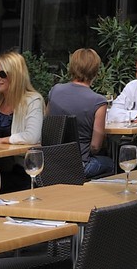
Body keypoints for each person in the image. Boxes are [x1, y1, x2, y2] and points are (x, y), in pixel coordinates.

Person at [47, 48, 116, 178]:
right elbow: (95, 146)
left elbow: (48, 123)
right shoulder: (98, 101)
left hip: (52, 163)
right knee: (112, 163)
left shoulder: (54, 91)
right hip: (80, 166)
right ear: (96, 71)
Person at [0, 51, 45, 146]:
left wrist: (3, 140)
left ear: (16, 76)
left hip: (19, 159)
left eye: (2, 74)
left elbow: (32, 137)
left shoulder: (32, 101)